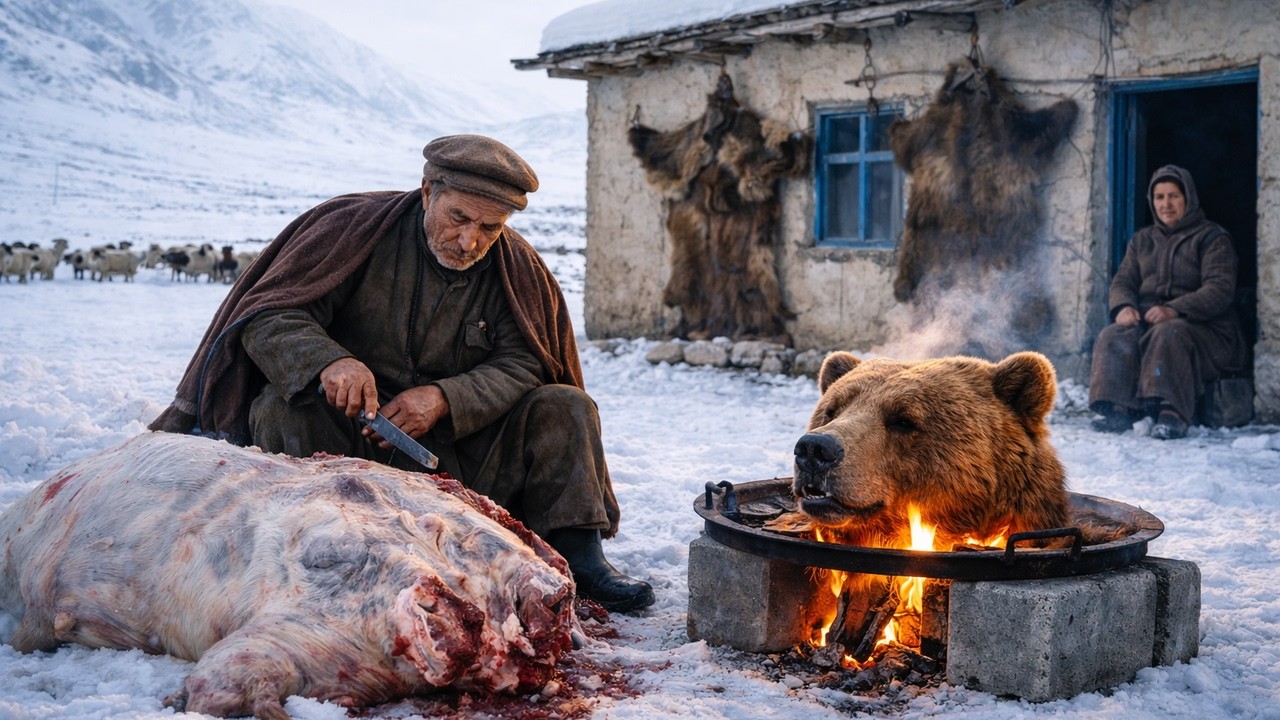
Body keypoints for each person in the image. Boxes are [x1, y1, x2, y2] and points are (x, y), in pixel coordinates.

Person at [150, 134, 655, 612]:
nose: (469, 241)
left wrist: (445, 398)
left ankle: (578, 558)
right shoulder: (352, 233)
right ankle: (315, 551)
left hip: (459, 461)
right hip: (348, 443)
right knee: (284, 410)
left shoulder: (514, 269)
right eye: (459, 217)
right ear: (428, 191)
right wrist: (330, 361)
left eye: (489, 227)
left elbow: (526, 361)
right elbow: (270, 315)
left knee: (566, 405)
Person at [1088, 164, 1248, 440]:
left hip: (1207, 330)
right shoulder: (1142, 240)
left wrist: (1175, 309)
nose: (1166, 204)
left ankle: (1171, 412)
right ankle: (1119, 409)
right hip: (1152, 323)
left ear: (1189, 198)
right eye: (1159, 197)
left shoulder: (1212, 238)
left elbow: (1219, 290)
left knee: (1168, 333)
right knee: (1114, 334)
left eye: (1174, 196)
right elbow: (1123, 281)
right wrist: (1123, 306)